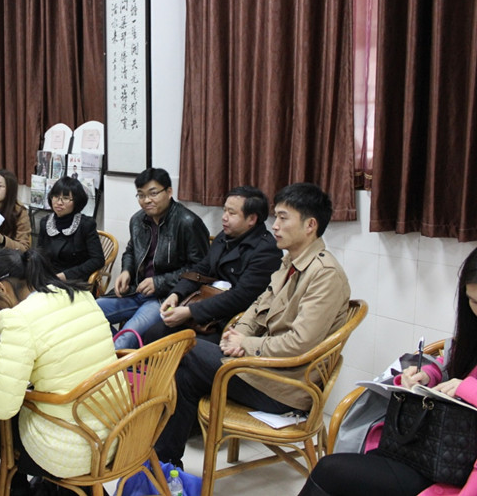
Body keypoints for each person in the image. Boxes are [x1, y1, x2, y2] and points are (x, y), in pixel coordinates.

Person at [155, 182, 351, 466]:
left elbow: (300, 343)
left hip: (285, 386)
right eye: (276, 216)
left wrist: (245, 344)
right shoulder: (290, 262)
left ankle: (159, 460)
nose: (275, 226)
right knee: (185, 375)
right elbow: (258, 307)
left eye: (283, 218)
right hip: (261, 368)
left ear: (310, 225)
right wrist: (236, 336)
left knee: (187, 347)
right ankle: (165, 466)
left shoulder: (325, 275)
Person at [299, 247, 477, 496]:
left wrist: (465, 388)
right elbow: (450, 364)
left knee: (331, 471)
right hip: (433, 449)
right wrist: (427, 375)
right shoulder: (471, 335)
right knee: (334, 471)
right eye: (473, 302)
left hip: (458, 472)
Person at [0, 248, 118, 492]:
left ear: (1, 288)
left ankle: (19, 491)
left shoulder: (19, 318)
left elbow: (2, 407)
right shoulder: (78, 293)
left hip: (74, 448)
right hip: (118, 430)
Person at [144, 186, 282, 344]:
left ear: (251, 219)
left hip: (229, 322)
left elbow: (240, 297)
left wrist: (190, 312)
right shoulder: (225, 236)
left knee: (183, 347)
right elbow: (200, 270)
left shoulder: (266, 251)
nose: (224, 217)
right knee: (154, 334)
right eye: (225, 211)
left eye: (232, 213)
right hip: (203, 307)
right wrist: (176, 294)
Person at [96, 168, 210, 350]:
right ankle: (118, 357)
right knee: (86, 316)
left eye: (153, 193)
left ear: (169, 192)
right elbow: (131, 251)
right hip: (135, 291)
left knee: (124, 339)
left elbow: (200, 270)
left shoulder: (188, 222)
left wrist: (159, 282)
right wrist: (126, 271)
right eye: (141, 195)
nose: (146, 200)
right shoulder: (137, 220)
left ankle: (121, 360)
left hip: (165, 298)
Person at [36, 176, 104, 282]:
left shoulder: (86, 225)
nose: (59, 202)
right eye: (56, 196)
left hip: (75, 280)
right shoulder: (45, 222)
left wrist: (66, 275)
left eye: (66, 198)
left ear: (77, 201)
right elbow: (39, 253)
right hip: (48, 277)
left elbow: (97, 260)